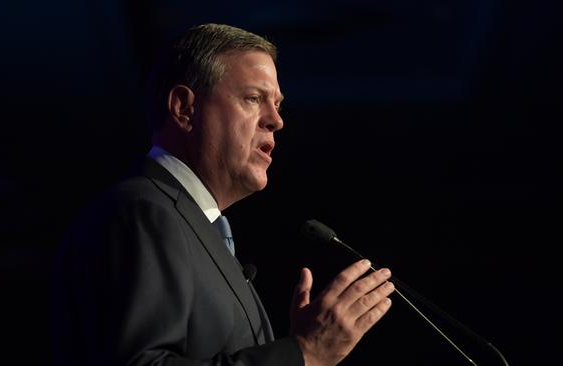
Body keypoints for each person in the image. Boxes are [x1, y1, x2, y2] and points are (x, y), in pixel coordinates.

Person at [51, 23, 395, 366]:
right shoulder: (143, 211)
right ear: (184, 108)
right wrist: (302, 354)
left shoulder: (195, 226)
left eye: (277, 104)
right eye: (253, 98)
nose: (276, 121)